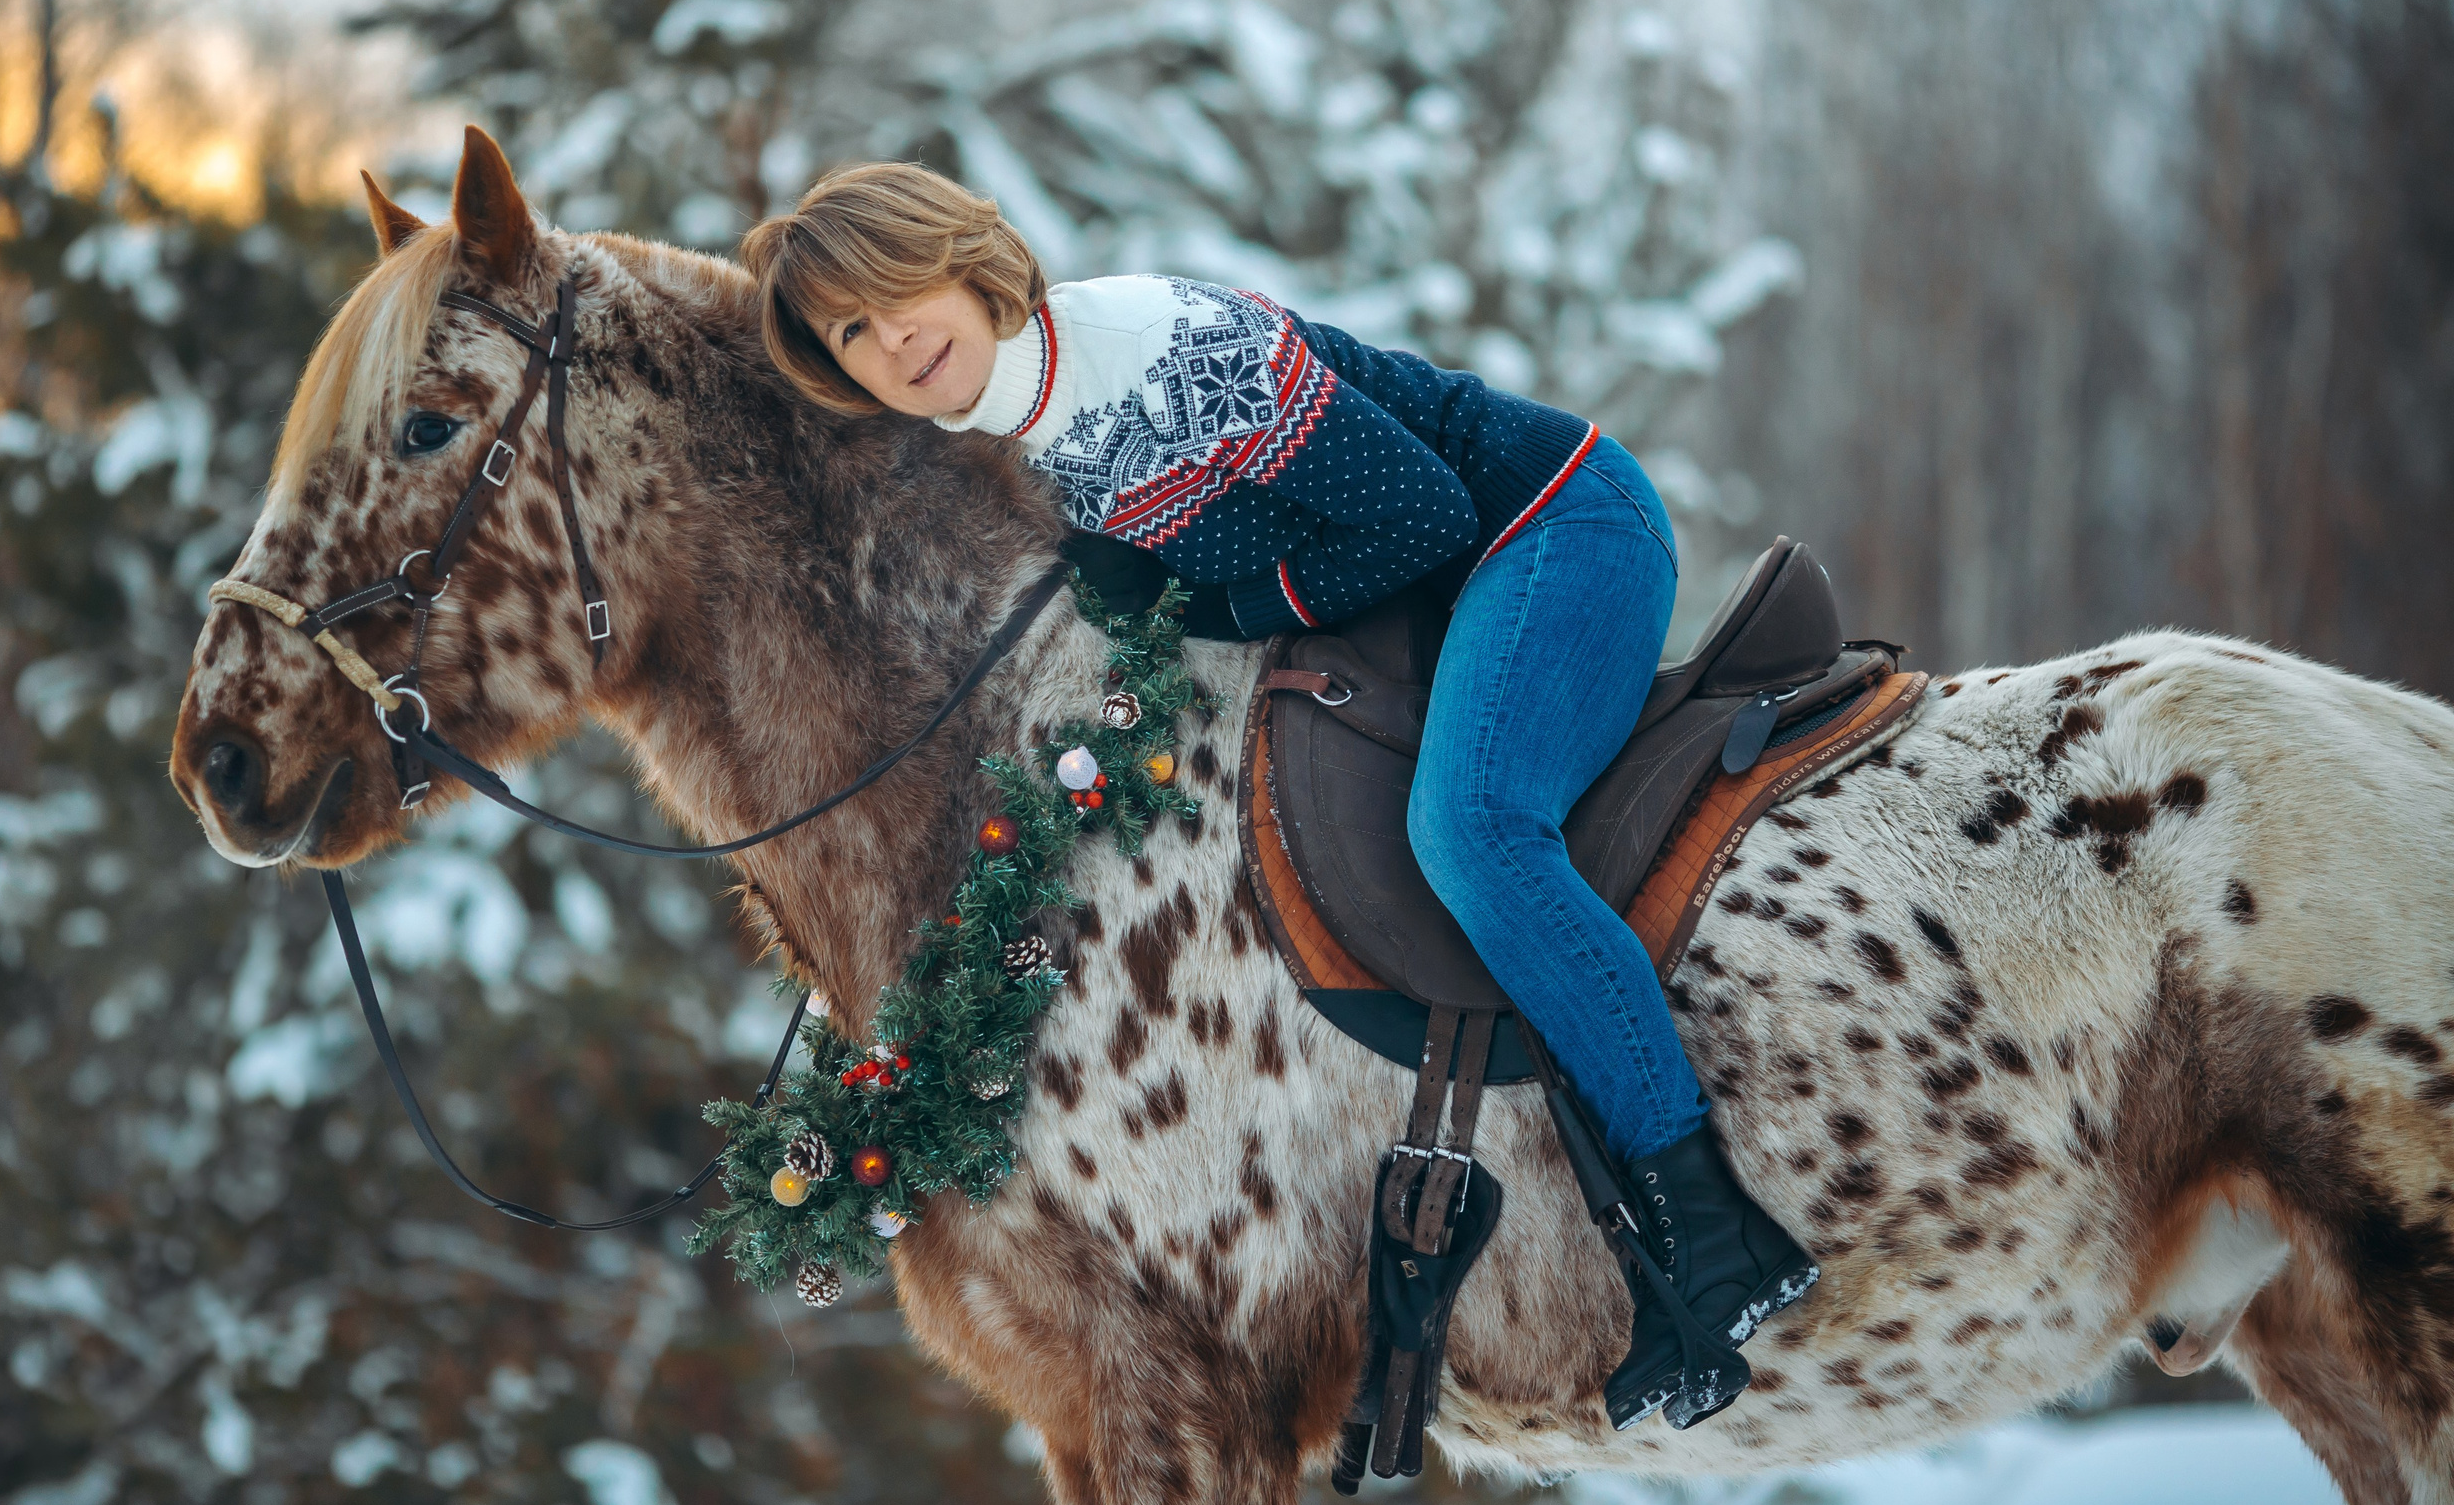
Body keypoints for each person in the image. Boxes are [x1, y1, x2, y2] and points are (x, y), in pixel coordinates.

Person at [741, 162, 1816, 1429]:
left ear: (961, 256)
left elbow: (1422, 514)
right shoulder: (1010, 445)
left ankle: (1709, 1229)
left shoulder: (1156, 347)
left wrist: (1220, 605)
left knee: (1471, 838)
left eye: (890, 291)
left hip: (1545, 523)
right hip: (1427, 603)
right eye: (849, 334)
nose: (889, 339)